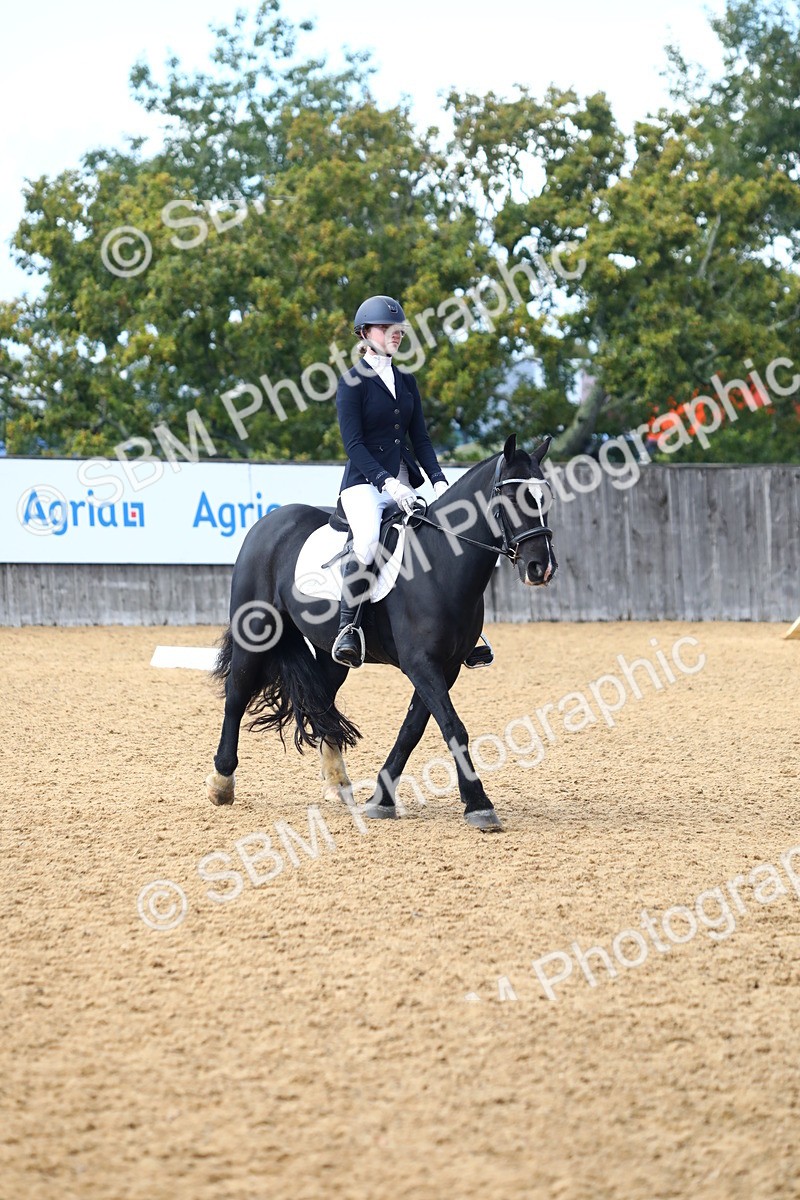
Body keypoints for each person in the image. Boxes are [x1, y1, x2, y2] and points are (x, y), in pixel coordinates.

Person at [331, 294, 492, 671]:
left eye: (398, 328)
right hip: (364, 485)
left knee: (442, 536)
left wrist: (438, 483)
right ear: (365, 333)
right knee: (369, 539)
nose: (395, 333)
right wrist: (388, 483)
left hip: (406, 480)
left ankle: (464, 632)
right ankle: (348, 628)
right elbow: (354, 445)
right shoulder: (351, 383)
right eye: (386, 328)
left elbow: (419, 439)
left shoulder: (406, 381)